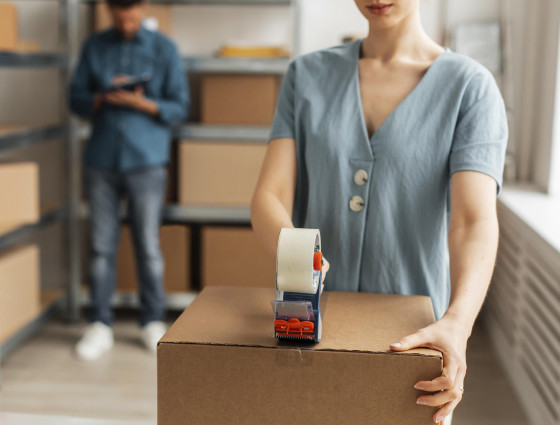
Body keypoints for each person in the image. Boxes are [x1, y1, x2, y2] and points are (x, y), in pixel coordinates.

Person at [251, 1, 507, 424]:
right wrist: (297, 254)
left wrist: (458, 323)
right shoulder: (306, 75)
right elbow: (269, 195)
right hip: (312, 332)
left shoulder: (470, 87)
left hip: (412, 340)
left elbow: (472, 220)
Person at [69, 0, 189, 360]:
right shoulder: (94, 46)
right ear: (108, 9)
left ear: (143, 8)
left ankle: (152, 321)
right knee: (101, 247)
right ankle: (99, 324)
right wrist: (101, 98)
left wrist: (143, 104)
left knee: (147, 247)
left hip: (147, 160)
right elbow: (74, 100)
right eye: (119, 18)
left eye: (133, 17)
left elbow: (180, 107)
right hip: (101, 160)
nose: (126, 24)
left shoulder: (165, 48)